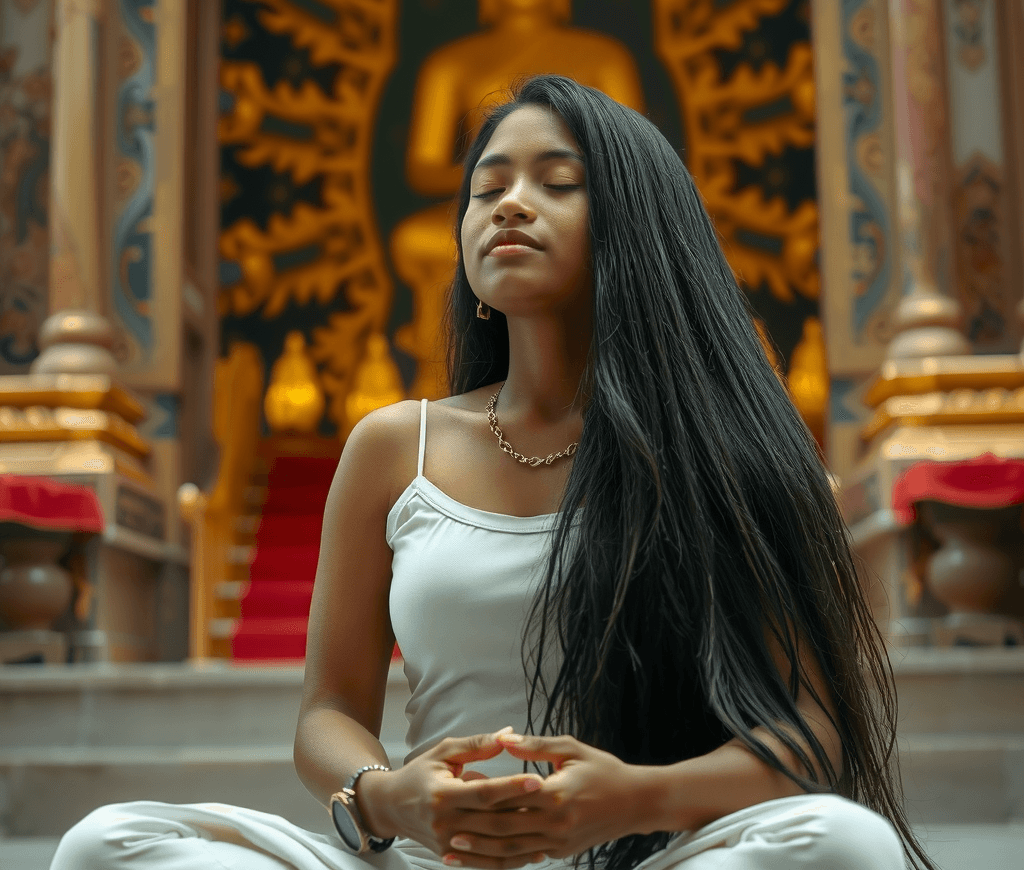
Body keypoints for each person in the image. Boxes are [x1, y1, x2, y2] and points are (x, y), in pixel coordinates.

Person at [51, 76, 931, 870]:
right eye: (486, 188)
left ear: (638, 226)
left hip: (646, 856)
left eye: (558, 182)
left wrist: (628, 799)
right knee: (107, 844)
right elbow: (327, 712)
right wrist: (388, 795)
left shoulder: (720, 450)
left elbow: (809, 739)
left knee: (848, 843)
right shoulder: (397, 447)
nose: (510, 203)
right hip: (436, 863)